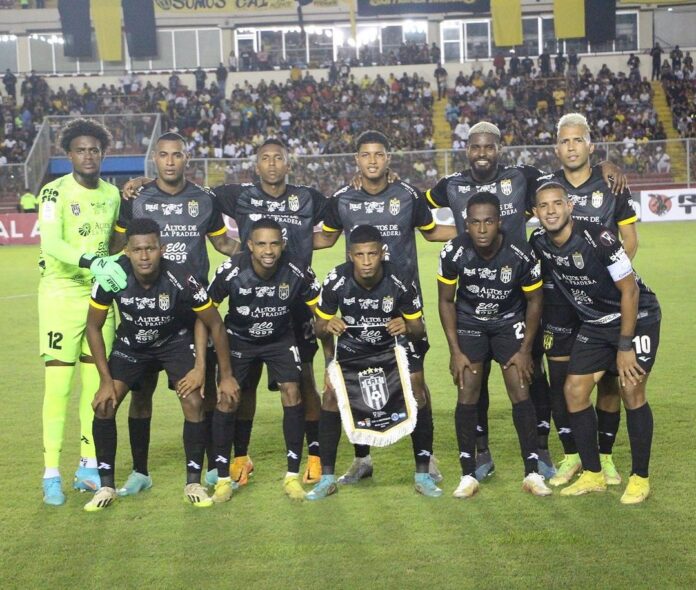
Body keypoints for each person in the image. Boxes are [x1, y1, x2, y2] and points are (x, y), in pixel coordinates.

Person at [425, 121, 625, 482]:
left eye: (489, 147)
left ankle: (541, 450)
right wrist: (457, 233)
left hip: (524, 296)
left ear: (499, 149)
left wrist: (602, 168)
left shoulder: (522, 175)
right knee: (475, 381)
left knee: (531, 374)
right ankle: (481, 452)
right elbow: (416, 207)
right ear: (466, 150)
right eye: (475, 147)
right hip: (473, 301)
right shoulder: (450, 184)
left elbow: (563, 181)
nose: (482, 153)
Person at [123, 138, 328, 487]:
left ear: (288, 163)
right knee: (239, 385)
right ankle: (235, 459)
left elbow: (337, 219)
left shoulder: (307, 197)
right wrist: (145, 182)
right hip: (235, 300)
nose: (272, 164)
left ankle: (314, 455)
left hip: (293, 297)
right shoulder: (235, 195)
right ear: (256, 165)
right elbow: (186, 194)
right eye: (265, 158)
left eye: (278, 158)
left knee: (302, 379)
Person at [314, 130, 455, 485]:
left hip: (403, 309)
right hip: (358, 310)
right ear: (357, 159)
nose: (373, 160)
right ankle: (362, 459)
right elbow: (326, 238)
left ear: (388, 158)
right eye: (366, 154)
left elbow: (432, 231)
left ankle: (426, 458)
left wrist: (472, 231)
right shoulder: (342, 198)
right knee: (355, 385)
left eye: (379, 154)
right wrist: (279, 242)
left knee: (416, 383)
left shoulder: (407, 195)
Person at [110, 132, 239, 496]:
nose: (170, 161)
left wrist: (258, 254)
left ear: (186, 159)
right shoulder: (138, 198)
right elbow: (117, 246)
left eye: (177, 155)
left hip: (193, 311)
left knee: (202, 390)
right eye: (164, 155)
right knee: (141, 393)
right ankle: (140, 472)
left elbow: (222, 242)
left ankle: (210, 467)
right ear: (155, 159)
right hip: (147, 307)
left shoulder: (203, 198)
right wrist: (122, 202)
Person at [83, 218, 240, 511]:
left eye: (151, 248)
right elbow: (93, 327)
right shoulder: (111, 275)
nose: (144, 256)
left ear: (162, 249)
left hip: (174, 343)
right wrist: (105, 381)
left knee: (193, 400)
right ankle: (110, 485)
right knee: (105, 404)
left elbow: (214, 323)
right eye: (137, 249)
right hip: (132, 346)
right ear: (127, 251)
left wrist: (206, 370)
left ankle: (193, 482)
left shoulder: (181, 276)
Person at [530, 182, 660, 504]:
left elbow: (630, 290)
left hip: (638, 316)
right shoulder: (539, 242)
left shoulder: (599, 238)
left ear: (569, 206)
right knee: (574, 391)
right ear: (535, 213)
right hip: (596, 323)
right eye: (544, 206)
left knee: (631, 389)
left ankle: (640, 478)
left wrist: (625, 346)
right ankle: (593, 474)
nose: (551, 211)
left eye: (557, 203)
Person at [533, 113, 639, 487]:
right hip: (560, 301)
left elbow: (630, 240)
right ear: (556, 148)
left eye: (578, 140)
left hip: (603, 302)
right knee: (562, 381)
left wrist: (605, 283)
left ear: (590, 145)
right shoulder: (547, 187)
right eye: (565, 141)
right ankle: (573, 456)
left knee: (609, 380)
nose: (572, 147)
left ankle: (604, 458)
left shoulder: (611, 184)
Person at [307, 225, 441, 500]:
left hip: (394, 345)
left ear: (382, 253)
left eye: (372, 254)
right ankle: (328, 478)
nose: (366, 261)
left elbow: (419, 329)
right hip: (354, 347)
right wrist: (329, 330)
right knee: (330, 394)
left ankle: (423, 473)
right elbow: (318, 327)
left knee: (417, 389)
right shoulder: (336, 279)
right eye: (360, 255)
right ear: (350, 256)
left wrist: (406, 324)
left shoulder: (401, 278)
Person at [438, 192, 551, 498]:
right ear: (466, 224)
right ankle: (467, 474)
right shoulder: (453, 251)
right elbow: (446, 301)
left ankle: (532, 472)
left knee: (520, 388)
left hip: (508, 322)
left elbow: (535, 300)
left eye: (488, 221)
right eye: (475, 222)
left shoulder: (521, 253)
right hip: (470, 324)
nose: (482, 229)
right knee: (467, 390)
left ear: (499, 222)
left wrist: (525, 350)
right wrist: (455, 351)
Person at [38, 118, 126, 506]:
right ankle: (51, 474)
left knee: (97, 387)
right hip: (60, 296)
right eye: (80, 150)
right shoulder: (53, 192)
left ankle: (88, 468)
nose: (88, 156)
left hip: (98, 299)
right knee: (58, 387)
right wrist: (93, 261)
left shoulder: (112, 194)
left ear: (102, 154)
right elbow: (52, 243)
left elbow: (116, 241)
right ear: (69, 155)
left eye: (94, 150)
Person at [206, 218, 321, 500]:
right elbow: (205, 313)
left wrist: (332, 359)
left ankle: (292, 476)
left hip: (280, 338)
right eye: (261, 244)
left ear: (282, 245)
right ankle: (225, 477)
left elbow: (321, 312)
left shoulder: (297, 269)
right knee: (228, 398)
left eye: (274, 244)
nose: (268, 251)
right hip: (239, 339)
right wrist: (213, 366)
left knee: (292, 391)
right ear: (249, 245)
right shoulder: (232, 270)